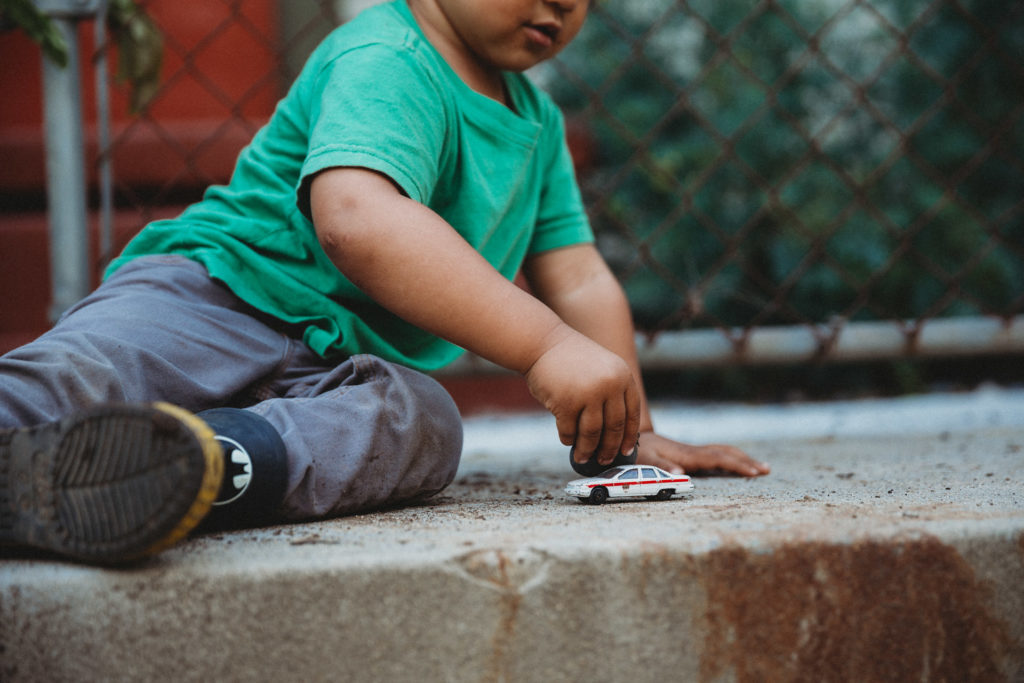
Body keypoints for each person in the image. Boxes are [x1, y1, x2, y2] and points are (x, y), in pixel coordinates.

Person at [0, 0, 768, 564]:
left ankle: (192, 466)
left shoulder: (536, 126)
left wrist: (626, 427)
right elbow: (356, 220)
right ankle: (24, 447)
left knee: (421, 422)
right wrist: (545, 347)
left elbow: (578, 276)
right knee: (92, 369)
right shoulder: (388, 57)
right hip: (216, 296)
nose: (563, 2)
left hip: (332, 374)